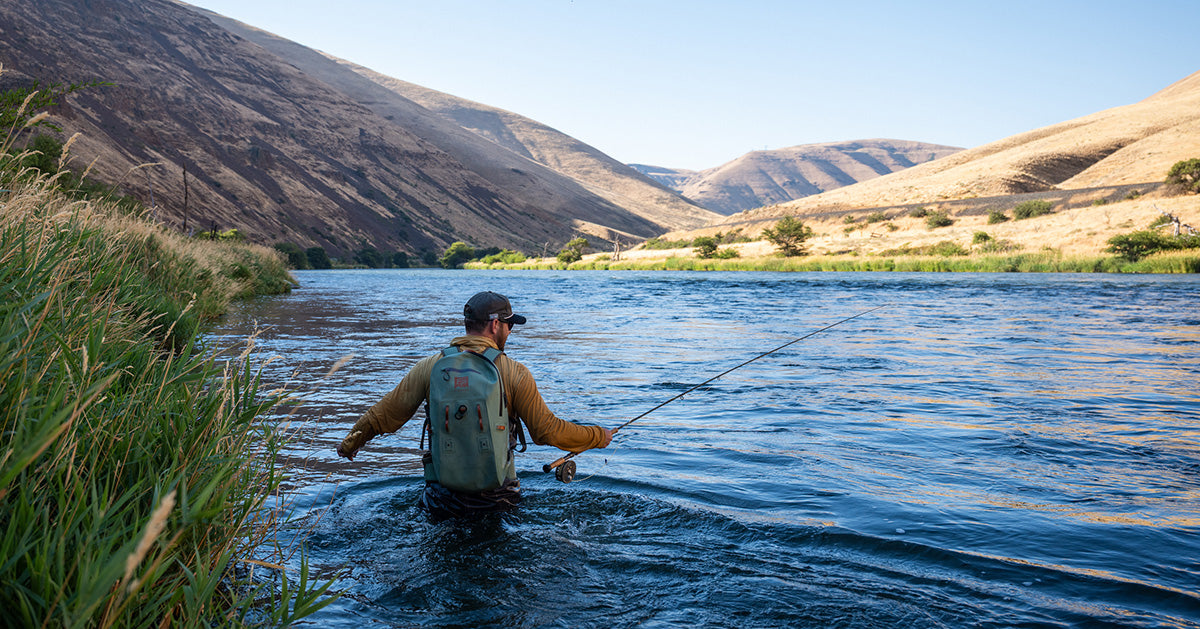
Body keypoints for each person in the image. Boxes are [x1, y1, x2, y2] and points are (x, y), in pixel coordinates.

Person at [337, 291, 612, 517]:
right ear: (495, 325)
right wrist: (599, 436)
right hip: (498, 500)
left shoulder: (430, 367)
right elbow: (547, 432)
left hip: (440, 498)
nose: (510, 331)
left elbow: (384, 415)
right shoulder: (515, 372)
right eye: (510, 324)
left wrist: (350, 443)